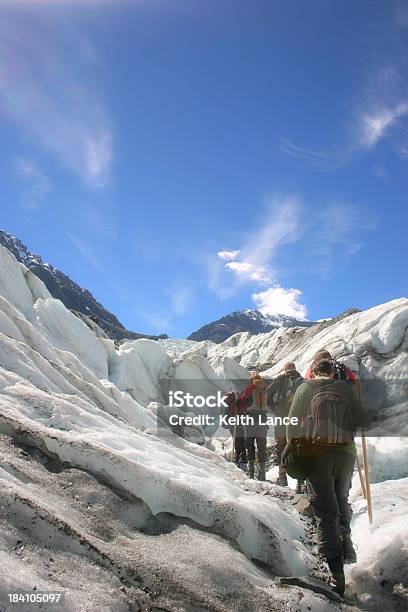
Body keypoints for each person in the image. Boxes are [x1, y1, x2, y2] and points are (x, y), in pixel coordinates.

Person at [286, 357, 372, 596]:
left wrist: (293, 449)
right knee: (341, 498)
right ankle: (345, 536)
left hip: (318, 454)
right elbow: (363, 419)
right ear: (332, 374)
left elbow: (293, 422)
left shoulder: (306, 388)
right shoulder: (344, 388)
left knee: (325, 510)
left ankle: (336, 573)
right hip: (345, 453)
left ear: (313, 372)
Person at [267, 362, 303, 487]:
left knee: (281, 445)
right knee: (298, 445)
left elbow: (267, 394)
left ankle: (282, 477)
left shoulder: (281, 378)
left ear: (285, 369)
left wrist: (274, 409)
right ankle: (300, 481)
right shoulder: (302, 380)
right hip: (297, 418)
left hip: (281, 416)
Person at [238, 372, 268, 481]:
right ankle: (262, 473)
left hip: (250, 420)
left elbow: (240, 401)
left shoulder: (250, 388)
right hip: (263, 420)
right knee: (262, 447)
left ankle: (251, 472)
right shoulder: (265, 388)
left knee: (249, 445)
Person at [222, 391, 247, 470]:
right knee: (241, 441)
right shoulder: (237, 402)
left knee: (236, 441)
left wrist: (227, 424)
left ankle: (237, 460)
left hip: (232, 424)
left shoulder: (228, 403)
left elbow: (224, 414)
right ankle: (242, 461)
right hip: (239, 423)